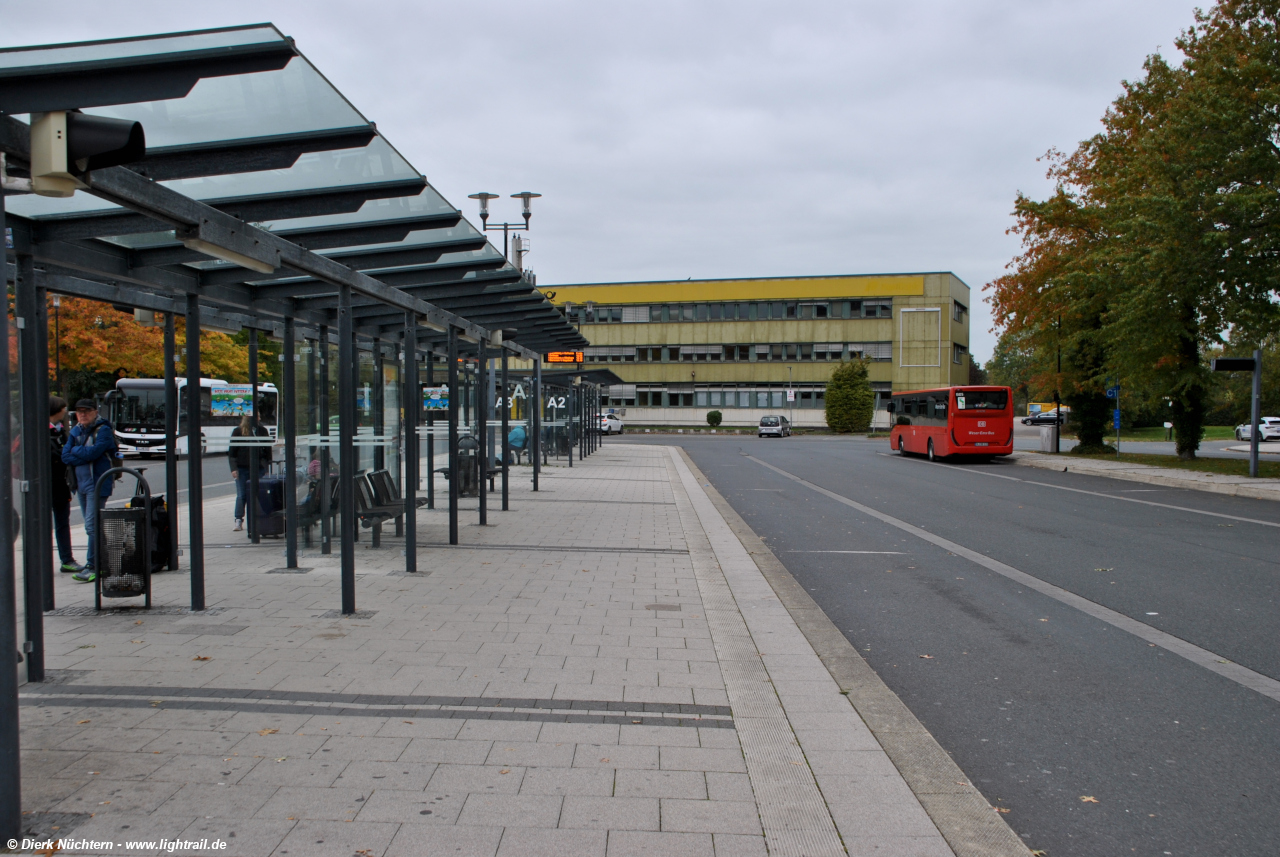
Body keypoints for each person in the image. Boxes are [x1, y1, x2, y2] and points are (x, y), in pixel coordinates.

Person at [62, 398, 118, 583]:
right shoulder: (76, 430)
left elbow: (93, 453)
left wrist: (77, 453)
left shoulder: (104, 430)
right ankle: (99, 563)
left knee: (92, 526)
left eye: (86, 411)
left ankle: (94, 566)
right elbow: (65, 455)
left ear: (95, 411)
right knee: (92, 526)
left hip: (98, 483)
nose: (82, 414)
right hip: (81, 485)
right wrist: (82, 454)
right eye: (79, 411)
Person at [49, 396, 80, 573]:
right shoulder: (48, 431)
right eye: (63, 408)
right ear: (57, 409)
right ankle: (65, 559)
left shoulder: (61, 430)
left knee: (62, 522)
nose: (65, 410)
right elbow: (60, 454)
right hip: (50, 483)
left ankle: (67, 559)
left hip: (60, 484)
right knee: (58, 523)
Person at [228, 413, 268, 533]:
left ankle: (259, 518)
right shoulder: (238, 431)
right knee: (242, 495)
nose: (259, 419)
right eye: (257, 416)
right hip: (242, 468)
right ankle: (238, 519)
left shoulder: (262, 431)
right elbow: (232, 452)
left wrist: (266, 467)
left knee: (258, 493)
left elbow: (267, 450)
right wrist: (233, 468)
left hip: (258, 467)